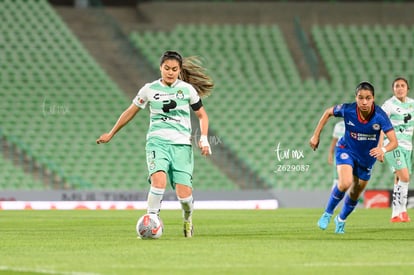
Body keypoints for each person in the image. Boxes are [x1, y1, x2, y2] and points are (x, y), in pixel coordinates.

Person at [96, 50, 213, 238]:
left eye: (174, 69)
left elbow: (202, 115)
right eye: (166, 68)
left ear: (179, 70)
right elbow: (130, 111)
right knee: (159, 181)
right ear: (160, 68)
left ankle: (187, 218)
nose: (170, 72)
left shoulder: (187, 90)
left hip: (181, 146)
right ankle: (151, 219)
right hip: (156, 143)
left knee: (184, 197)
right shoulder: (149, 89)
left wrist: (204, 138)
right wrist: (111, 133)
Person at [309, 81, 398, 234]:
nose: (364, 102)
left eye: (368, 98)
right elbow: (328, 112)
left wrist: (382, 149)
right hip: (346, 150)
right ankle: (327, 213)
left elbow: (394, 141)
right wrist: (316, 135)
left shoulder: (380, 116)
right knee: (345, 183)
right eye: (360, 97)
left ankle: (341, 219)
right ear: (356, 98)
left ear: (373, 98)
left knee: (356, 192)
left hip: (366, 159)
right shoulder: (348, 109)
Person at [380, 77, 413, 223]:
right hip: (393, 144)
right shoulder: (388, 105)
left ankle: (395, 213)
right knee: (405, 177)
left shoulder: (412, 104)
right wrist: (380, 147)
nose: (400, 88)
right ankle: (403, 211)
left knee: (400, 178)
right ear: (393, 89)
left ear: (407, 88)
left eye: (402, 85)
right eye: (397, 86)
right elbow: (380, 126)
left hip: (407, 146)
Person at [328, 120, 345, 189]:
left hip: (352, 153)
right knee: (337, 178)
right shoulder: (339, 125)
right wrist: (330, 153)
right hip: (340, 152)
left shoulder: (357, 124)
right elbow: (334, 141)